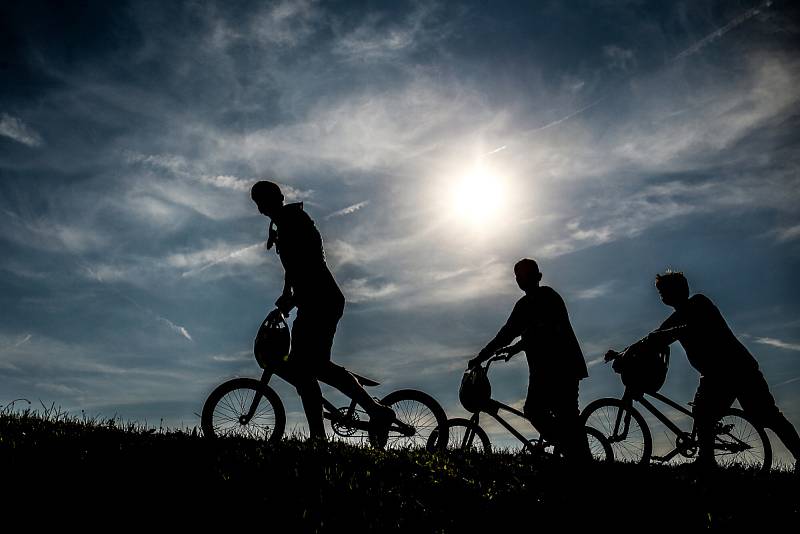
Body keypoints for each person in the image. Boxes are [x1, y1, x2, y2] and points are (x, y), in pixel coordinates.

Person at [251, 180, 394, 441]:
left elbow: (307, 265)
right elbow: (293, 270)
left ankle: (362, 416)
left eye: (263, 200)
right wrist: (287, 297)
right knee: (308, 369)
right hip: (313, 301)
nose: (261, 207)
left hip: (322, 301)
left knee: (309, 368)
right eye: (258, 202)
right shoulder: (283, 223)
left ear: (275, 198)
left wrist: (290, 299)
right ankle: (325, 432)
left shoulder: (294, 220)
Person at [625, 270, 800, 471]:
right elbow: (653, 337)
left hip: (734, 369)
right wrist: (624, 352)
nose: (661, 295)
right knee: (706, 412)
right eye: (660, 291)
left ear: (678, 290)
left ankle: (707, 461)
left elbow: (688, 327)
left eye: (664, 290)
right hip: (719, 373)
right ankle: (706, 460)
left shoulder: (699, 303)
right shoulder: (676, 318)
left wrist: (664, 335)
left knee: (767, 416)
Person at [469, 258, 591, 462]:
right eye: (517, 276)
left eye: (522, 275)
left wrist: (485, 355)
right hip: (547, 370)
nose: (519, 279)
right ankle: (575, 455)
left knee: (550, 413)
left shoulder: (547, 297)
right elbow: (510, 333)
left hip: (560, 368)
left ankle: (573, 454)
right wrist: (511, 349)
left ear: (536, 276)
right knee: (563, 417)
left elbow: (545, 330)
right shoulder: (525, 305)